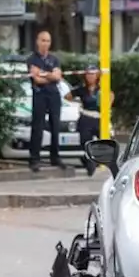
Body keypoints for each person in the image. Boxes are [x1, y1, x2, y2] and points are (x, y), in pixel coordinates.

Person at [65, 64, 113, 177]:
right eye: (88, 74)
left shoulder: (102, 88)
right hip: (86, 117)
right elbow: (67, 96)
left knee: (106, 141)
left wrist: (108, 105)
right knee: (85, 142)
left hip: (99, 117)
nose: (90, 77)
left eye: (92, 74)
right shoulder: (82, 89)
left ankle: (100, 161)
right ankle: (90, 164)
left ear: (97, 76)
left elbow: (111, 96)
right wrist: (78, 103)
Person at [26, 29, 63, 171]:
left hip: (54, 95)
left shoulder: (55, 59)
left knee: (55, 126)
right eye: (43, 40)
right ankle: (34, 159)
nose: (45, 43)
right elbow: (36, 79)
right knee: (38, 127)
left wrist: (43, 73)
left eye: (48, 41)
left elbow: (58, 77)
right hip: (40, 94)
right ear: (37, 42)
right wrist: (50, 75)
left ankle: (55, 157)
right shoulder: (32, 59)